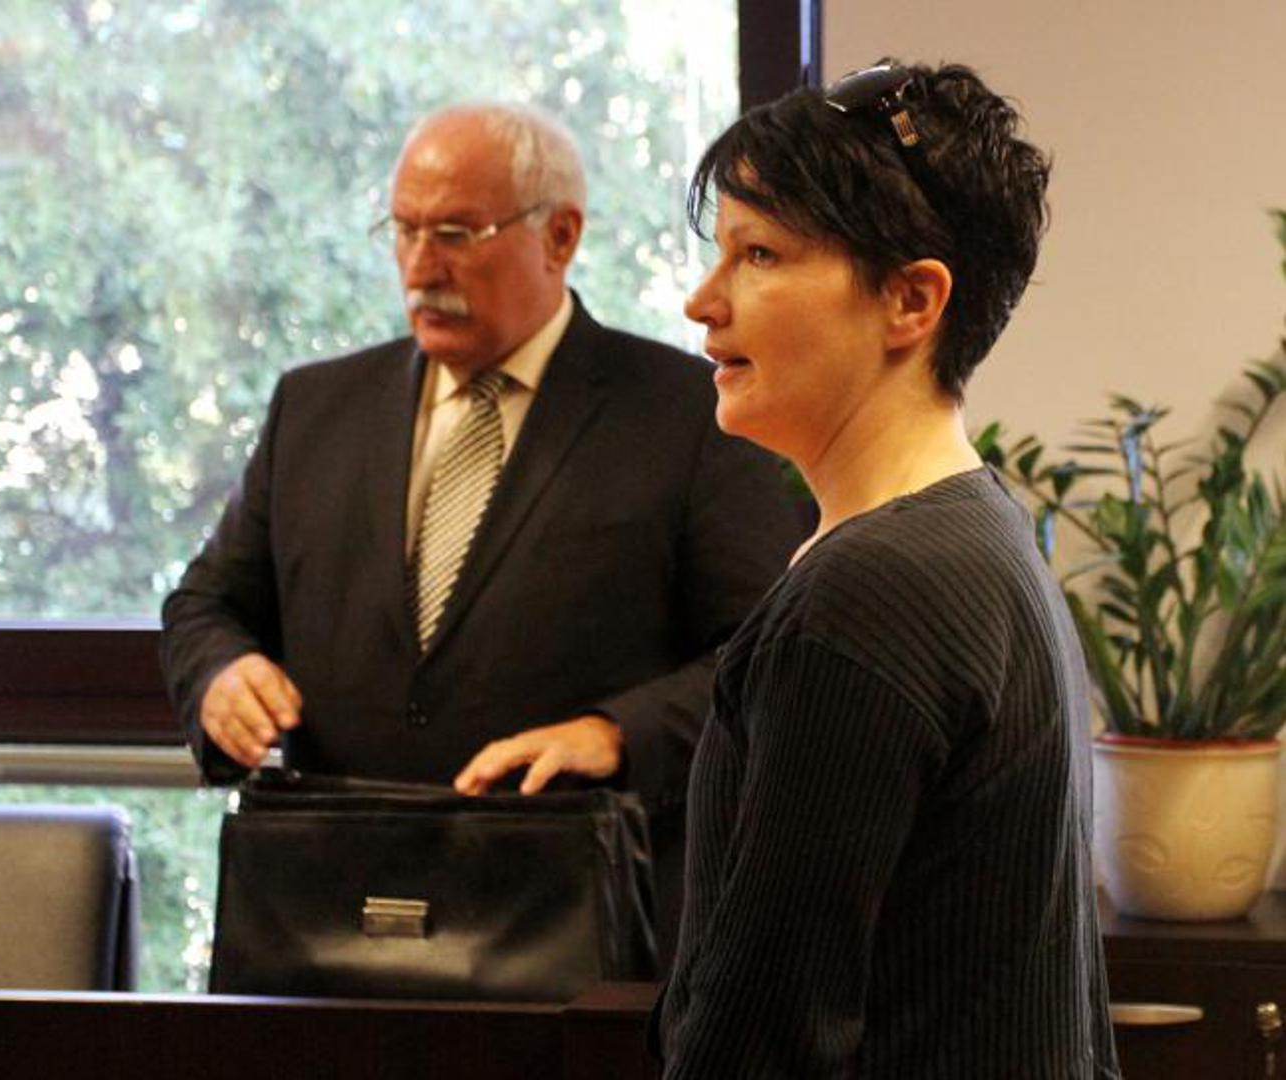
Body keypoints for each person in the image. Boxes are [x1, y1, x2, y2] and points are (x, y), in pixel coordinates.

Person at [160, 101, 805, 961]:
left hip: (573, 925)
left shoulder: (690, 415)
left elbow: (766, 659)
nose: (421, 265)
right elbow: (206, 604)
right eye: (404, 230)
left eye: (457, 233)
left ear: (560, 235)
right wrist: (219, 674)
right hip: (326, 923)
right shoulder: (314, 409)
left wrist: (616, 734)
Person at [654, 63, 1120, 1076]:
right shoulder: (973, 533)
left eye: (759, 254)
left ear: (910, 300)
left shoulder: (870, 591)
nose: (702, 302)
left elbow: (762, 1038)